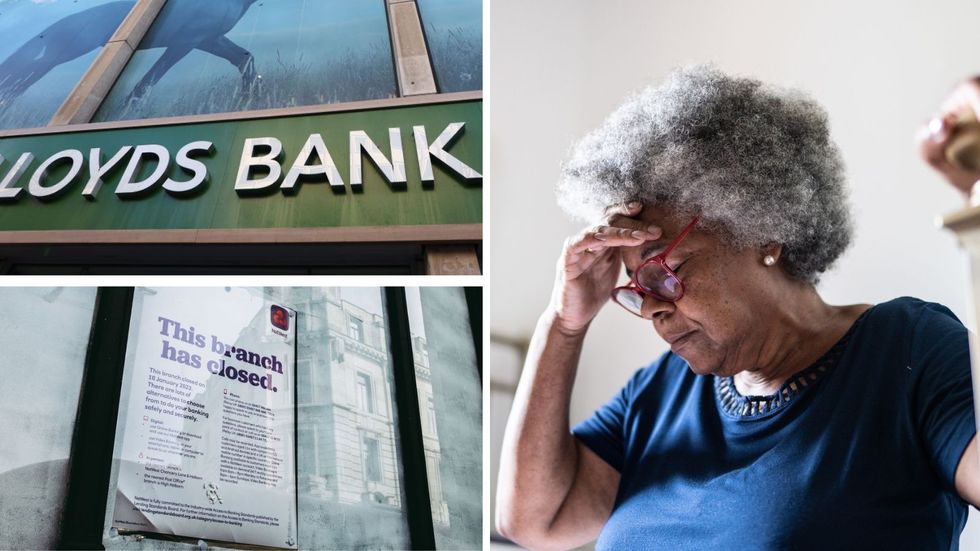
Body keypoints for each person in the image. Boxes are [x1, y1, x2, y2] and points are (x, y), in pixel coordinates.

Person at [495, 65, 980, 550]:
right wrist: (564, 323)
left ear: (763, 231)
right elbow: (535, 522)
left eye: (664, 271)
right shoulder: (660, 392)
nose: (653, 311)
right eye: (638, 290)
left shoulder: (907, 350)